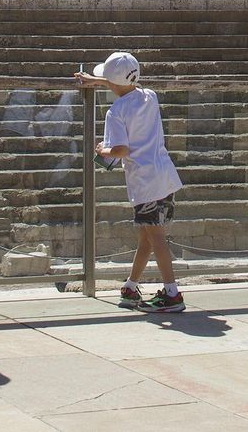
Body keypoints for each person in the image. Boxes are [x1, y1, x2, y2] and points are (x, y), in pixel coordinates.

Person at [76, 51, 185, 313]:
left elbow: (121, 151)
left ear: (113, 84)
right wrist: (99, 80)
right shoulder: (150, 97)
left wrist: (102, 150)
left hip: (144, 181)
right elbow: (127, 86)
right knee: (147, 235)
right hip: (164, 176)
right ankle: (131, 285)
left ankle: (172, 293)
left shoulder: (116, 112)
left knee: (155, 237)